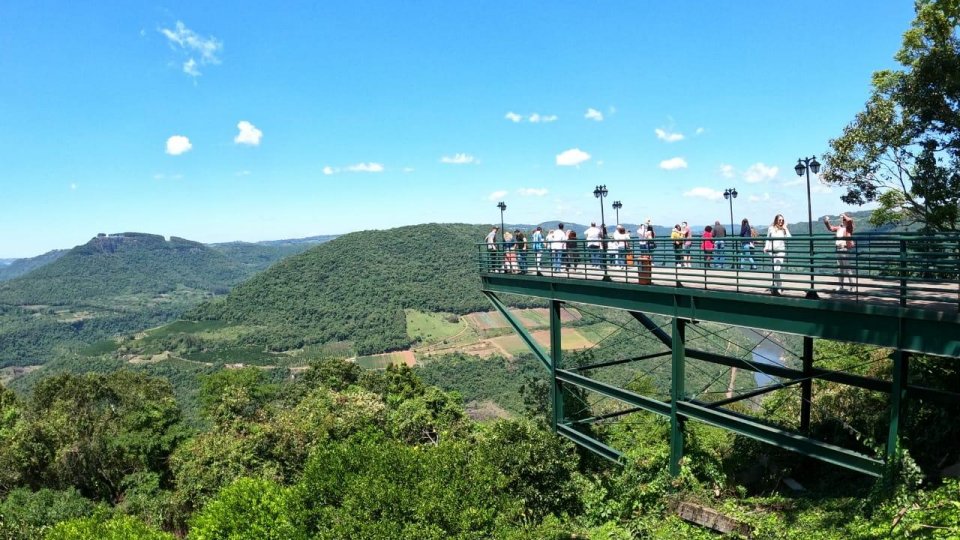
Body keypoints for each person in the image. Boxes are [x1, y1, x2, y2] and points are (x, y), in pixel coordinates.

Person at [824, 213, 856, 292]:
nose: (841, 220)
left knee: (847, 268)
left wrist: (844, 215)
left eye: (842, 219)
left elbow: (850, 220)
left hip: (844, 249)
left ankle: (853, 287)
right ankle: (840, 286)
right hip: (838, 249)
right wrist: (826, 222)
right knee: (840, 269)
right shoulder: (839, 227)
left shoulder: (849, 228)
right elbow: (831, 228)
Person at [763, 214, 791, 296]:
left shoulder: (783, 229)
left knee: (777, 270)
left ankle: (778, 287)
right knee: (775, 270)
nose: (781, 222)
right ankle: (776, 286)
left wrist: (786, 228)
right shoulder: (771, 228)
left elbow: (789, 238)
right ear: (776, 220)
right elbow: (768, 239)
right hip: (772, 252)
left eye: (782, 220)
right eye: (779, 220)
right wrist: (766, 247)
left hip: (781, 251)